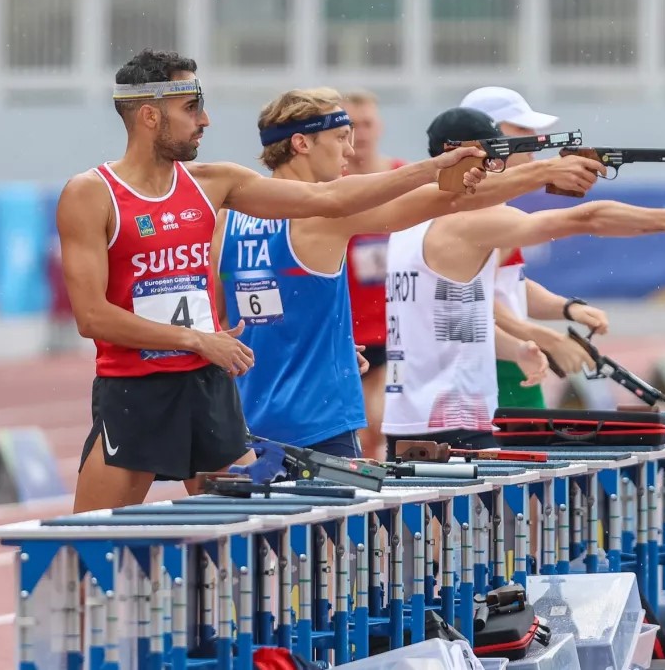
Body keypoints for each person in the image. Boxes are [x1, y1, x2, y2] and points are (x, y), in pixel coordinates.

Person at [58, 49, 492, 513]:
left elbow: (328, 199)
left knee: (250, 535)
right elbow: (92, 316)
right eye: (191, 109)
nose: (205, 120)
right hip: (136, 391)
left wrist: (432, 170)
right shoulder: (91, 194)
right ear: (149, 115)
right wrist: (197, 340)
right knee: (94, 541)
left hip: (207, 389)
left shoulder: (215, 183)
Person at [212, 87, 609, 459]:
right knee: (334, 532)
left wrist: (320, 347)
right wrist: (543, 173)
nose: (351, 150)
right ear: (301, 143)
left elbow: (226, 323)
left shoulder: (228, 220)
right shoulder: (322, 215)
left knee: (263, 530)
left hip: (251, 418)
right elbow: (449, 201)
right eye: (341, 138)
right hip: (319, 423)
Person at [382, 107, 665, 457]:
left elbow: (451, 318)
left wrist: (519, 347)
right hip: (453, 421)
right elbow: (586, 219)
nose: (498, 170)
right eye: (492, 160)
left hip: (408, 419)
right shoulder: (464, 224)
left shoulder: (407, 224)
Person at [460, 86, 610, 408]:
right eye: (523, 130)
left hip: (512, 362)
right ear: (490, 136)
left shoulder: (498, 207)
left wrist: (567, 309)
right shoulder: (471, 212)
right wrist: (546, 339)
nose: (535, 141)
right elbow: (469, 298)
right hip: (484, 368)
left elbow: (506, 285)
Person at [340, 90, 406, 460]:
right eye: (351, 126)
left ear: (378, 127)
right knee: (361, 432)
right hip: (349, 328)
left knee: (383, 426)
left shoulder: (401, 176)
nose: (360, 134)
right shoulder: (330, 187)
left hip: (395, 328)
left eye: (366, 124)